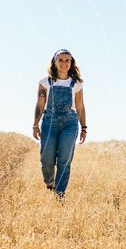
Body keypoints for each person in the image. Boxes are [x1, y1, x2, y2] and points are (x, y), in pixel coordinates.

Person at [32, 49, 87, 200]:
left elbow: (80, 106)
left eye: (67, 60)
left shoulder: (76, 84)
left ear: (71, 63)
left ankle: (60, 194)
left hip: (70, 123)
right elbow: (40, 104)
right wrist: (35, 125)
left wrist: (84, 128)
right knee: (46, 158)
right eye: (61, 60)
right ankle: (50, 183)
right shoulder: (45, 82)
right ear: (55, 62)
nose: (64, 63)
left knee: (65, 160)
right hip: (49, 122)